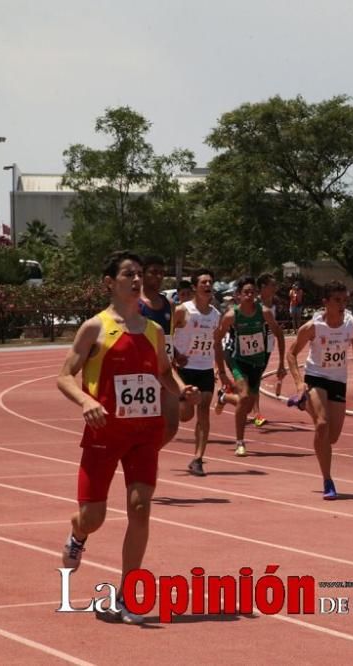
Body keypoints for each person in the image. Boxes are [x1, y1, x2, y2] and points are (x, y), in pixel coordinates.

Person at [57, 251, 198, 624]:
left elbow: (164, 374)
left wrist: (182, 390)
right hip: (105, 432)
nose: (136, 280)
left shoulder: (153, 331)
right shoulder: (95, 327)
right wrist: (86, 400)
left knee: (140, 506)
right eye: (127, 274)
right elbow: (64, 376)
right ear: (110, 282)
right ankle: (77, 533)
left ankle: (127, 594)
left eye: (139, 274)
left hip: (144, 432)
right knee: (93, 517)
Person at [286, 280, 353, 500]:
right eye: (337, 300)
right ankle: (328, 481)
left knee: (331, 438)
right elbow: (291, 354)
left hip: (338, 381)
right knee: (322, 424)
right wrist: (298, 382)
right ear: (326, 303)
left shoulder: (352, 325)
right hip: (316, 377)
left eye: (345, 300)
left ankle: (304, 403)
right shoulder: (314, 327)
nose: (342, 305)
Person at [213, 276, 287, 457]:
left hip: (258, 362)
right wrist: (222, 370)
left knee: (246, 405)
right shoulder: (232, 315)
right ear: (238, 296)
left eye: (252, 292)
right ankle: (240, 442)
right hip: (238, 360)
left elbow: (279, 334)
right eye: (245, 292)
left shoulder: (264, 312)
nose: (249, 295)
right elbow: (217, 340)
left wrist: (281, 364)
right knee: (245, 396)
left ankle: (224, 397)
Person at [172, 268, 222, 477]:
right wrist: (174, 355)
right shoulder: (184, 310)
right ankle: (173, 405)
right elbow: (165, 335)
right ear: (195, 287)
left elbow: (216, 344)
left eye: (210, 282)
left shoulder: (216, 315)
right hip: (184, 369)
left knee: (203, 413)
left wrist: (221, 369)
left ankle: (198, 458)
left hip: (204, 368)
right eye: (203, 282)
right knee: (185, 415)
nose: (208, 285)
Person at [138, 255, 182, 447]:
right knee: (144, 425)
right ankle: (141, 458)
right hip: (142, 372)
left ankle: (148, 455)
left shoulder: (168, 304)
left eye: (161, 273)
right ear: (143, 274)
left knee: (171, 425)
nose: (158, 276)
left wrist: (176, 353)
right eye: (153, 272)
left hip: (165, 370)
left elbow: (167, 336)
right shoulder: (135, 304)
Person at [252, 273, 279, 427]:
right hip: (255, 347)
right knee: (255, 380)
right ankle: (257, 413)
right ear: (262, 287)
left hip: (268, 345)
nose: (275, 288)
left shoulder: (273, 305)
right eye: (272, 285)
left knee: (255, 379)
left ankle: (228, 392)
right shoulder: (254, 304)